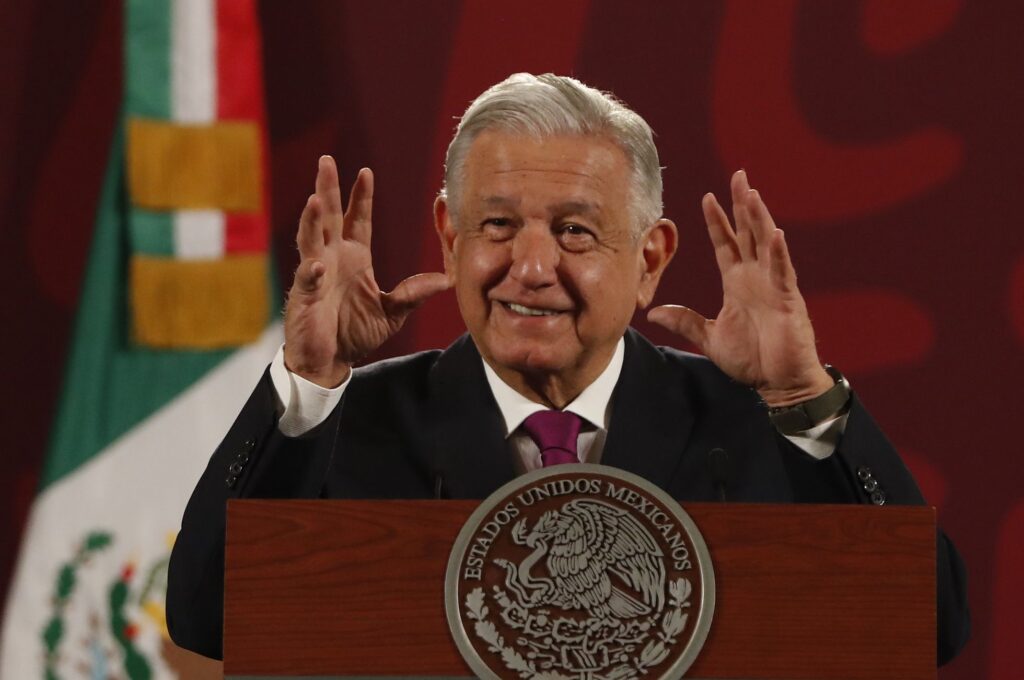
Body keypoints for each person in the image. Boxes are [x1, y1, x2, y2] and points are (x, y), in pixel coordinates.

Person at [166, 73, 969, 663]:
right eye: (498, 225)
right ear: (449, 238)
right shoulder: (351, 423)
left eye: (576, 232)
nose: (531, 266)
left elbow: (932, 625)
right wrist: (306, 384)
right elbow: (204, 617)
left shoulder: (752, 426)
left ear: (650, 259)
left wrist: (804, 398)